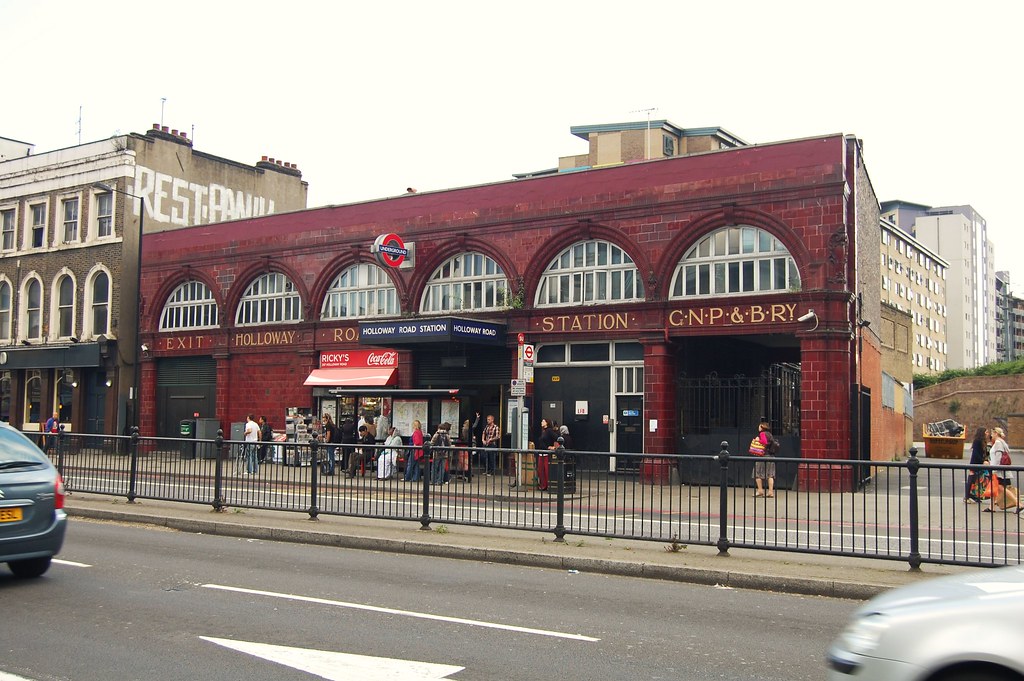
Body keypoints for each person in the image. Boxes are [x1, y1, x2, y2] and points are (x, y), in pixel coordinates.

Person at [752, 419, 778, 498]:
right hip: (770, 456)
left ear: (762, 427)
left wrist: (758, 440)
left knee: (757, 473)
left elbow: (764, 442)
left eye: (759, 426)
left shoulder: (762, 434)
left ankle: (760, 490)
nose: (758, 428)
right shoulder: (770, 434)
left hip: (763, 455)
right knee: (770, 474)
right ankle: (770, 492)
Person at [964, 427, 989, 503]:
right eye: (986, 432)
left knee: (977, 480)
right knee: (972, 479)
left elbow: (984, 452)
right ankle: (967, 496)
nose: (987, 434)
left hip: (980, 463)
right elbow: (976, 453)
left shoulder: (984, 441)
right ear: (982, 433)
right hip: (975, 463)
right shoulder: (977, 441)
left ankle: (974, 495)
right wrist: (982, 461)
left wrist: (986, 459)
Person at [536, 418, 556, 491]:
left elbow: (557, 437)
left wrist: (553, 447)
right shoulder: (543, 431)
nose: (541, 422)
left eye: (543, 421)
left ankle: (547, 485)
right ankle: (543, 485)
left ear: (547, 423)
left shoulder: (549, 431)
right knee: (541, 470)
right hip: (541, 453)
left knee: (546, 470)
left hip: (547, 454)